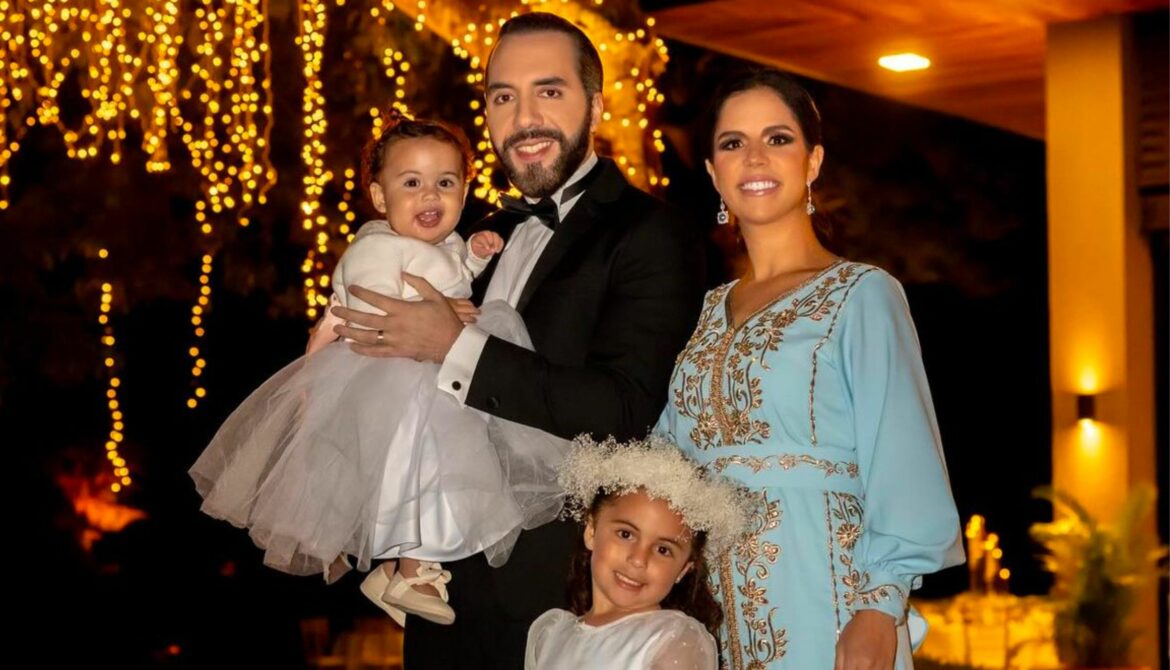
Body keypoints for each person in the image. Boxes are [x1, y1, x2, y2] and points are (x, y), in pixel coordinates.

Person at [329, 12, 705, 668]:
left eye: (548, 91)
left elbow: (623, 410)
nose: (524, 117)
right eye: (503, 97)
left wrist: (454, 346)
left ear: (595, 105)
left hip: (560, 603)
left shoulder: (651, 233)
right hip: (441, 590)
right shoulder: (470, 232)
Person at [190, 113, 567, 628]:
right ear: (380, 197)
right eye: (411, 183)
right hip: (391, 375)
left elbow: (454, 275)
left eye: (446, 183)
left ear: (464, 191)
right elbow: (366, 305)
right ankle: (412, 571)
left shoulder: (445, 245)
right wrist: (436, 312)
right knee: (418, 466)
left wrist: (475, 258)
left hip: (436, 371)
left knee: (437, 473)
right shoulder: (375, 247)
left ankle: (394, 572)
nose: (430, 195)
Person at [654, 68, 964, 670]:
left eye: (778, 138)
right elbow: (669, 460)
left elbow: (903, 458)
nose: (754, 158)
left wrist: (880, 606)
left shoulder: (863, 294)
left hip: (830, 604)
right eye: (733, 143)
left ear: (813, 160)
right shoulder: (704, 312)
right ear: (714, 173)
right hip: (708, 619)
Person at [525, 435, 750, 670]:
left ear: (683, 569)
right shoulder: (550, 634)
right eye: (625, 534)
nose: (639, 559)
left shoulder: (673, 640)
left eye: (663, 550)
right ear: (591, 530)